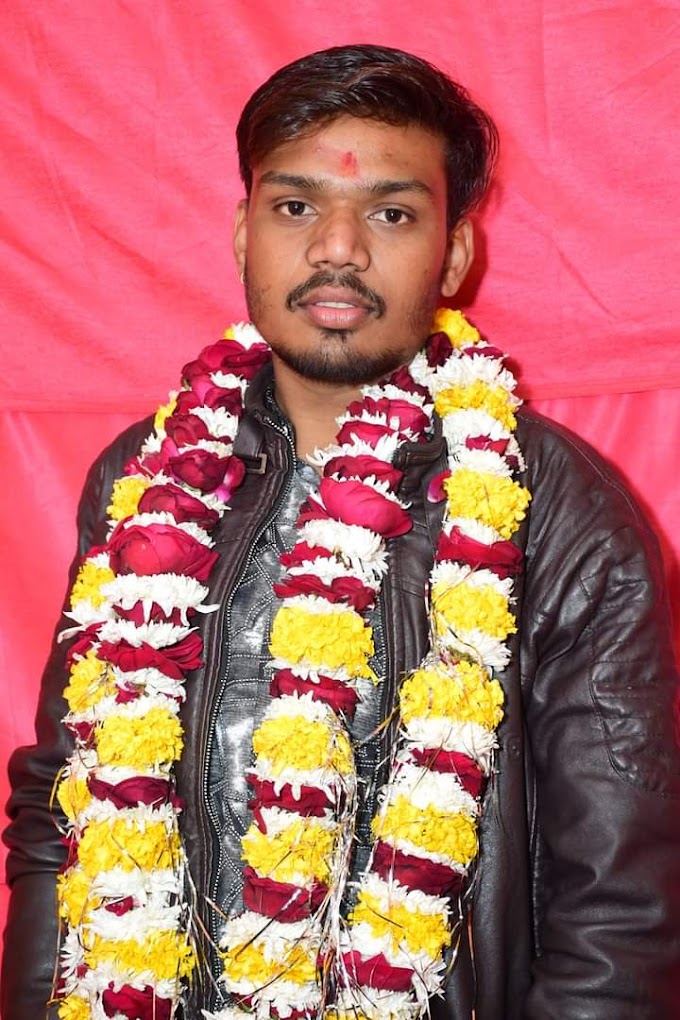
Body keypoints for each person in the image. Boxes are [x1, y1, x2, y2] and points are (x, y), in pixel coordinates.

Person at [3, 42, 680, 1020]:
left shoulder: (558, 506)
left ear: (455, 253)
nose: (337, 248)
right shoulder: (143, 479)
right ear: (243, 232)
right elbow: (58, 810)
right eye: (294, 206)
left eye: (390, 213)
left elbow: (619, 911)